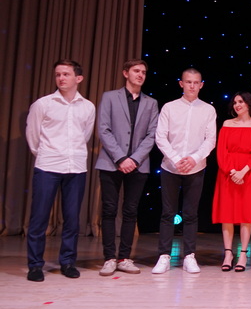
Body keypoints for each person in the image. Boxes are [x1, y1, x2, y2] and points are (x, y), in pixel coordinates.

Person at [24, 60, 96, 281]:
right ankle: (35, 265)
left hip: (76, 168)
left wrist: (71, 153)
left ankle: (68, 262)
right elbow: (33, 135)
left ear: (78, 78)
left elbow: (85, 135)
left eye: (66, 74)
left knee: (72, 218)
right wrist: (47, 154)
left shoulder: (88, 107)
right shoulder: (43, 104)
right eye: (58, 74)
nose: (61, 78)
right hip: (48, 166)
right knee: (39, 218)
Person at [95, 59, 159, 277]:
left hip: (138, 165)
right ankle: (109, 258)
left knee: (130, 211)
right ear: (125, 73)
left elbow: (152, 134)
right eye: (136, 71)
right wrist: (121, 158)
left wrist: (134, 159)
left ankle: (124, 257)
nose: (140, 75)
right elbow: (103, 129)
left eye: (143, 72)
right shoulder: (109, 97)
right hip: (111, 162)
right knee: (109, 210)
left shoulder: (151, 102)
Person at [153, 68, 217, 275]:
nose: (192, 86)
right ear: (181, 83)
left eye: (196, 82)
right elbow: (160, 137)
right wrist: (176, 158)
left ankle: (189, 256)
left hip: (196, 167)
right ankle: (164, 256)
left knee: (191, 214)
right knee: (168, 213)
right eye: (188, 82)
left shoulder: (208, 110)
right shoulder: (169, 107)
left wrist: (194, 158)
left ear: (201, 85)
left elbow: (210, 140)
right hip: (170, 167)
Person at [212, 92, 251, 272]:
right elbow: (221, 152)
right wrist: (232, 171)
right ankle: (228, 254)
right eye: (235, 102)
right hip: (228, 173)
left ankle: (243, 254)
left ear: (249, 104)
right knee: (227, 214)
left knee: (245, 215)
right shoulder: (227, 124)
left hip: (249, 174)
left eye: (241, 101)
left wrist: (243, 171)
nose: (237, 105)